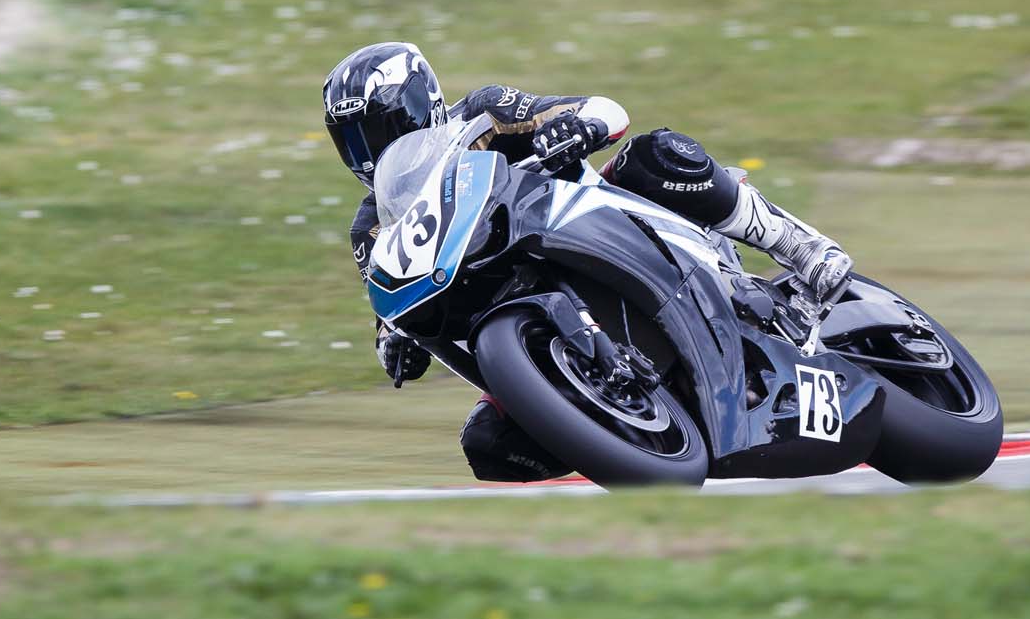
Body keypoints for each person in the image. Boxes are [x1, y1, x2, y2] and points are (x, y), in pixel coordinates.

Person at [324, 41, 853, 481]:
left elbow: (604, 109)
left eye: (373, 128)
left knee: (656, 154)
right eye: (349, 140)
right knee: (488, 445)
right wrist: (393, 343)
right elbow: (389, 301)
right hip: (520, 308)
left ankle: (800, 247)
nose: (365, 151)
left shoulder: (482, 116)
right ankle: (625, 438)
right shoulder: (374, 223)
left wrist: (577, 127)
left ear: (419, 104)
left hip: (610, 232)